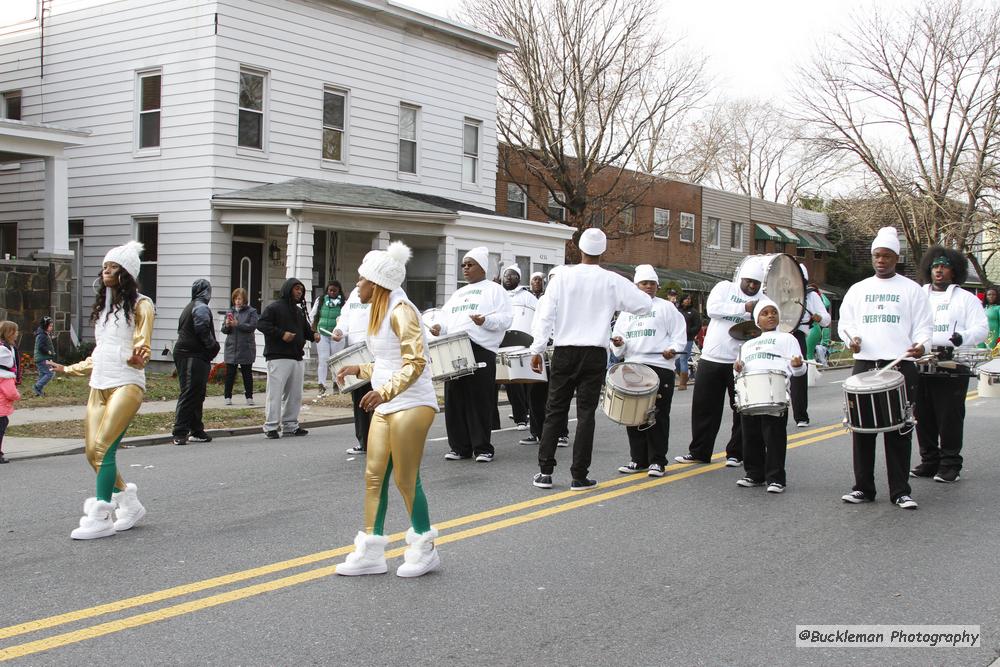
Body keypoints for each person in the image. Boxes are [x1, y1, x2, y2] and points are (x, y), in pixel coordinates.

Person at [334, 241, 441, 578]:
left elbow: (416, 362)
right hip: (388, 400)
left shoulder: (402, 311)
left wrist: (383, 391)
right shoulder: (378, 311)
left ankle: (425, 547)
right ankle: (372, 551)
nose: (357, 285)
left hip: (412, 403)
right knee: (373, 476)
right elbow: (387, 361)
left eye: (361, 280)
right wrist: (361, 371)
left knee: (407, 479)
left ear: (377, 283)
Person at [528, 228, 652, 490]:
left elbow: (545, 315)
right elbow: (644, 305)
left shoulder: (562, 276)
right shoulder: (611, 280)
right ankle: (579, 475)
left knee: (555, 410)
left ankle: (545, 471)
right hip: (595, 351)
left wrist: (537, 349)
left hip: (564, 349)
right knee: (586, 414)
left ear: (580, 249)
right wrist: (612, 304)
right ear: (602, 251)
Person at [55, 241, 153, 539]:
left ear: (125, 273)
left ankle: (100, 515)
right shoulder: (105, 310)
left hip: (127, 383)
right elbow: (99, 354)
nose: (105, 271)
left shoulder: (142, 305)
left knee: (103, 449)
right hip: (99, 384)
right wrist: (68, 369)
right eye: (104, 266)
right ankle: (129, 502)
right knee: (91, 453)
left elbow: (142, 344)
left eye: (112, 267)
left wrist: (139, 358)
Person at [838, 227, 932, 509]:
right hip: (866, 365)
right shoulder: (859, 289)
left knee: (899, 430)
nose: (881, 260)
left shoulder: (912, 290)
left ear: (896, 258)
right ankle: (863, 488)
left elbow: (924, 328)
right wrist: (850, 339)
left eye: (887, 256)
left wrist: (921, 346)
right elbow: (846, 323)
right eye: (877, 255)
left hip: (900, 366)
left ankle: (900, 491)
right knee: (863, 429)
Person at [675, 257, 764, 467]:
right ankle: (699, 451)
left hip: (742, 362)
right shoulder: (725, 288)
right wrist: (745, 307)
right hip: (712, 358)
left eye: (756, 283)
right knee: (704, 408)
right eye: (749, 281)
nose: (752, 286)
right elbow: (712, 309)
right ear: (741, 278)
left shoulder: (764, 299)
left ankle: (736, 453)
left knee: (741, 408)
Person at [910, 246, 988, 483]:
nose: (939, 271)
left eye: (944, 267)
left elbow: (982, 328)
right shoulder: (917, 295)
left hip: (953, 363)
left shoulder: (966, 298)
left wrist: (962, 337)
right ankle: (929, 460)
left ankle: (950, 463)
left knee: (949, 416)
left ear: (954, 271)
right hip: (921, 361)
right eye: (935, 266)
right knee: (922, 415)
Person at [429, 247, 512, 462]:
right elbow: (445, 319)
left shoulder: (494, 290)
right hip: (455, 348)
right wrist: (439, 327)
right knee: (454, 398)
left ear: (482, 267)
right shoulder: (457, 294)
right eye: (463, 265)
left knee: (479, 399)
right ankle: (459, 447)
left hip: (480, 349)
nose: (465, 268)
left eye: (470, 264)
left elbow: (505, 319)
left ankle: (482, 448)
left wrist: (485, 321)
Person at [610, 265, 686, 477]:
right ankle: (638, 459)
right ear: (636, 286)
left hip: (660, 367)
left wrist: (673, 350)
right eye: (644, 283)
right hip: (633, 365)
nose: (648, 287)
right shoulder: (627, 312)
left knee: (658, 415)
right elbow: (619, 342)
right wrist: (618, 343)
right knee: (633, 415)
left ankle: (658, 461)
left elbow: (679, 335)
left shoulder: (666, 308)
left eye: (652, 283)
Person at [732, 298, 806, 493]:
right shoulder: (747, 345)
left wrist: (798, 365)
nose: (770, 315)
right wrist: (737, 368)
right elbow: (738, 374)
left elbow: (798, 371)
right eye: (765, 313)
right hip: (751, 395)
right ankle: (754, 475)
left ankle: (776, 478)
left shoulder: (787, 338)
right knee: (751, 436)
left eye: (773, 312)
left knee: (774, 437)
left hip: (776, 393)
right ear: (757, 320)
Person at [256, 277, 320, 439]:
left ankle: (290, 425)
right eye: (296, 288)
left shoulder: (298, 311)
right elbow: (262, 324)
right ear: (288, 289)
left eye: (301, 289)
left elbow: (306, 331)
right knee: (275, 393)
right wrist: (281, 334)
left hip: (297, 357)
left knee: (295, 394)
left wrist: (314, 335)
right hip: (278, 356)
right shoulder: (274, 308)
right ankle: (271, 426)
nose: (299, 292)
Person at [171, 279, 220, 446]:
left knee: (196, 393)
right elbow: (202, 330)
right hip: (192, 354)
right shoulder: (200, 307)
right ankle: (180, 432)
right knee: (191, 392)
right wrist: (213, 347)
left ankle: (196, 430)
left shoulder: (190, 307)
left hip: (189, 353)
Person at [332, 285, 373, 455]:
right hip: (355, 352)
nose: (358, 284)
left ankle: (381, 441)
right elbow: (344, 317)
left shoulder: (383, 294)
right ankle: (363, 441)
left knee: (377, 397)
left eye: (363, 278)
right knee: (359, 398)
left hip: (374, 352)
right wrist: (339, 330)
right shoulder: (355, 298)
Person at [789, 264, 831, 427]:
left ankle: (801, 416)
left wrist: (819, 317)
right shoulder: (777, 292)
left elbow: (826, 319)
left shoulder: (811, 296)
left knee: (798, 374)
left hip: (798, 335)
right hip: (777, 334)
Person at [501, 265, 536, 429]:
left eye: (513, 276)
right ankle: (519, 417)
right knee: (510, 381)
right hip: (503, 342)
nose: (508, 278)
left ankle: (526, 414)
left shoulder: (527, 297)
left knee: (526, 380)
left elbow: (538, 315)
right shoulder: (499, 294)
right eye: (506, 275)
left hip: (524, 341)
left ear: (519, 279)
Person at [221, 287, 259, 406]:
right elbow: (224, 330)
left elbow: (252, 326)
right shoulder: (230, 312)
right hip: (232, 347)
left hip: (245, 347)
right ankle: (227, 396)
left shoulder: (251, 311)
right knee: (230, 374)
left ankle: (249, 396)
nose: (238, 301)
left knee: (247, 373)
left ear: (244, 300)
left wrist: (238, 324)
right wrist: (227, 325)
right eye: (236, 299)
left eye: (240, 299)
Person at [310, 281, 345, 396]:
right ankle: (322, 385)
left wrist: (341, 332)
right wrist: (314, 331)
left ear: (339, 291)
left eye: (335, 291)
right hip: (323, 333)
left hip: (336, 335)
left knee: (335, 360)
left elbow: (346, 318)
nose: (332, 293)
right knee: (323, 360)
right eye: (330, 290)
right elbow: (313, 315)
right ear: (327, 290)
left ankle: (336, 383)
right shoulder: (321, 300)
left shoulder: (344, 302)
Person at [0, 329, 22, 464]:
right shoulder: (6, 376)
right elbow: (11, 393)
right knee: (2, 426)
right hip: (1, 408)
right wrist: (17, 395)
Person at [676, 294, 701, 391]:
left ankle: (683, 383)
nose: (688, 300)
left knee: (683, 359)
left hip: (688, 339)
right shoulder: (678, 311)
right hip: (677, 338)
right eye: (686, 298)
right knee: (677, 360)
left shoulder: (694, 312)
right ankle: (684, 376)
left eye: (689, 299)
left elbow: (697, 325)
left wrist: (690, 332)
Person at [33, 316, 57, 397]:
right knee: (50, 373)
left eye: (52, 326)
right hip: (42, 358)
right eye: (50, 326)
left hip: (42, 358)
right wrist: (48, 351)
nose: (51, 327)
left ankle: (38, 391)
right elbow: (40, 346)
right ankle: (37, 387)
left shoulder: (44, 334)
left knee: (43, 374)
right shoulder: (42, 335)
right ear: (45, 325)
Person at [982, 285, 1000, 350]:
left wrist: (999, 339)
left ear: (997, 296)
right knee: (980, 354)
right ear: (986, 296)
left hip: (993, 336)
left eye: (993, 294)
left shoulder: (998, 308)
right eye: (989, 295)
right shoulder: (983, 309)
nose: (991, 296)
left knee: (991, 354)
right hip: (982, 335)